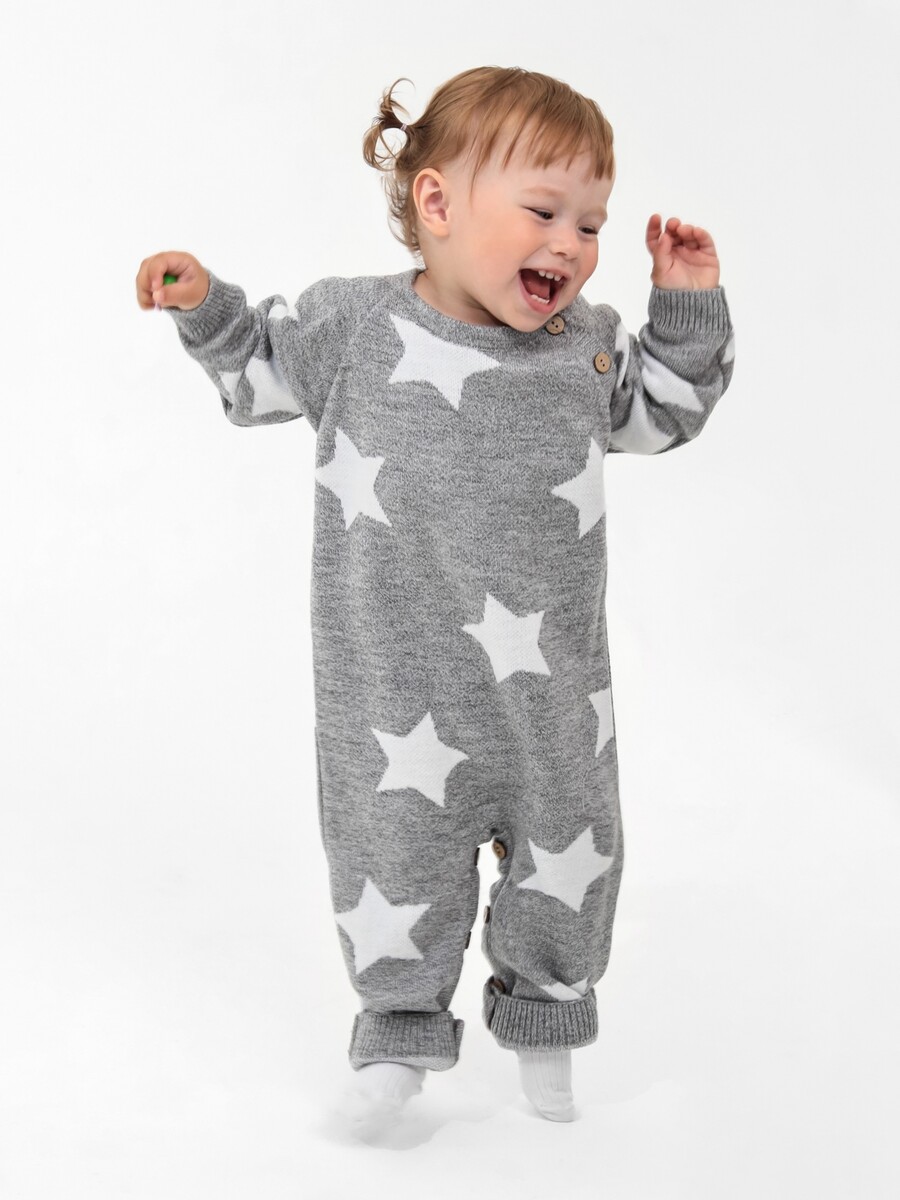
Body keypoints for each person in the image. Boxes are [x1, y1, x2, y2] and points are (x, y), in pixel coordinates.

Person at [135, 65, 735, 1136]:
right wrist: (204, 304)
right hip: (392, 694)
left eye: (590, 224)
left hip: (551, 696)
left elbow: (663, 412)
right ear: (438, 202)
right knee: (391, 860)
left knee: (574, 853)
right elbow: (260, 364)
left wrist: (685, 304)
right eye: (543, 212)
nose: (570, 244)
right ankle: (397, 1041)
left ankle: (548, 1030)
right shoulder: (354, 325)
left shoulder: (584, 343)